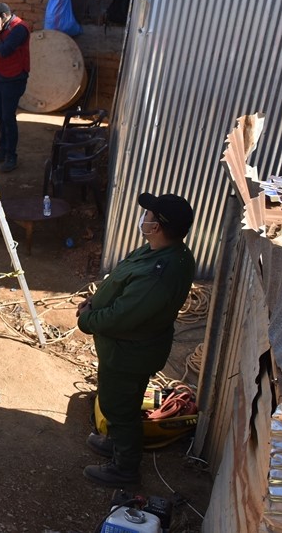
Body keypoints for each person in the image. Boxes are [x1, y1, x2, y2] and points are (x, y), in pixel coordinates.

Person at [77, 192, 196, 488]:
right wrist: (95, 301)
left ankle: (124, 469)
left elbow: (124, 315)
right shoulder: (159, 252)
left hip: (129, 352)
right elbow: (121, 286)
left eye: (149, 216)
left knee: (120, 408)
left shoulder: (160, 272)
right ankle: (117, 443)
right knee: (120, 402)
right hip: (128, 349)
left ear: (155, 227)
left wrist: (87, 319)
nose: (144, 219)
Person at [0, 3, 31, 173]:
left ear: (4, 16)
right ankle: (3, 149)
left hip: (14, 78)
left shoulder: (19, 29)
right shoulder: (5, 27)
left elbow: (4, 51)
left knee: (8, 116)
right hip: (1, 77)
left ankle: (11, 156)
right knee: (0, 114)